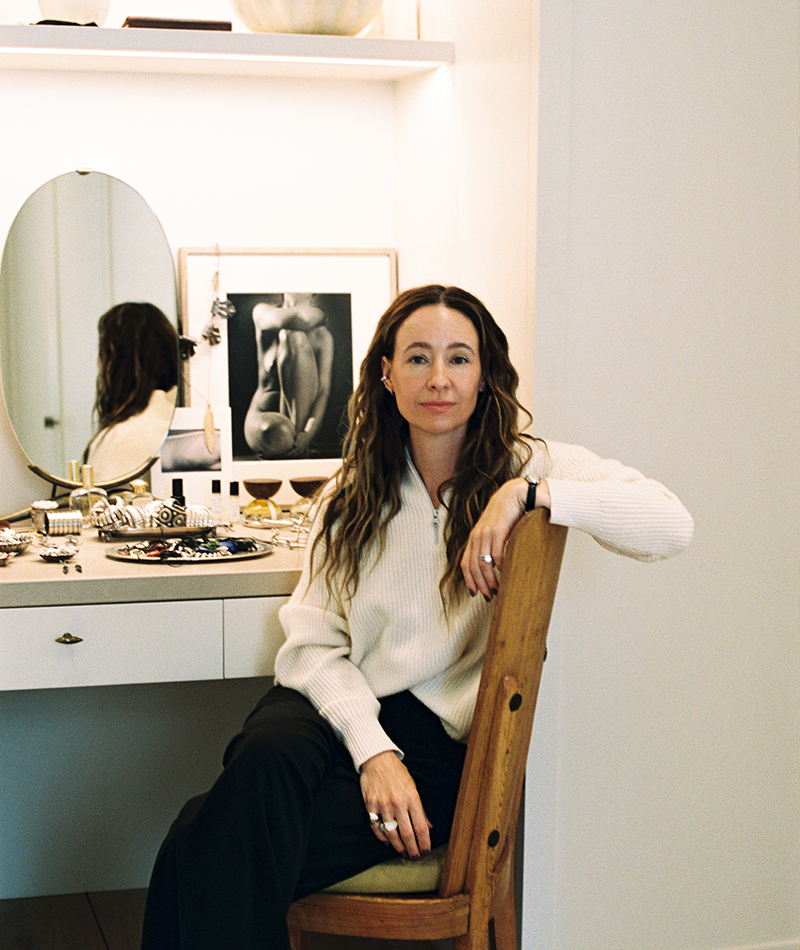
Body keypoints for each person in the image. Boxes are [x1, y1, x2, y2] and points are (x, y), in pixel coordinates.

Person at [140, 284, 693, 950]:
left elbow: (670, 524)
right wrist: (373, 750)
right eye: (418, 359)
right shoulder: (351, 492)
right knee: (265, 755)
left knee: (198, 843)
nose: (439, 379)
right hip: (332, 706)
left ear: (484, 373)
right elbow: (312, 645)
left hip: (436, 741)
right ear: (385, 373)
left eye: (459, 359)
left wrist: (527, 494)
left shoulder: (525, 464)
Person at [85, 302, 178, 483]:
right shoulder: (176, 419)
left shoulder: (121, 439)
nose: (98, 363)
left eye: (102, 353)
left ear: (114, 362)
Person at [243, 293, 334, 459]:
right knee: (280, 435)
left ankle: (296, 439)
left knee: (296, 337)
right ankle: (291, 441)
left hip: (301, 423)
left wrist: (308, 433)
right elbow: (300, 320)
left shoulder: (323, 338)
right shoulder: (263, 312)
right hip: (263, 416)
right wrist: (321, 314)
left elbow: (323, 392)